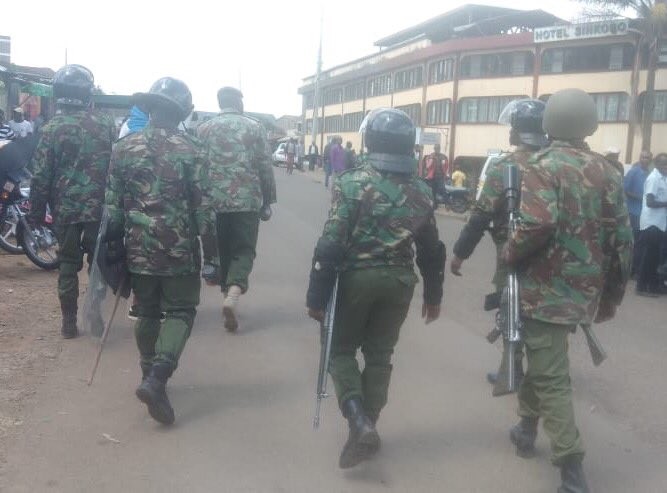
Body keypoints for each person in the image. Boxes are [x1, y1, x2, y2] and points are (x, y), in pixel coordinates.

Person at [503, 89, 632, 493]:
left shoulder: (543, 166)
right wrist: (611, 296)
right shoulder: (608, 172)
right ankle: (526, 429)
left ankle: (571, 466)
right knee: (543, 359)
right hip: (585, 289)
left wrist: (509, 252)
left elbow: (538, 225)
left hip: (545, 289)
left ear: (550, 124)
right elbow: (622, 239)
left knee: (552, 375)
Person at [306, 108, 445, 469]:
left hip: (356, 279)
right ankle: (368, 424)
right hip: (400, 282)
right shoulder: (422, 190)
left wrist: (316, 297)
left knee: (338, 350)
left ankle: (358, 420)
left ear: (370, 141)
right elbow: (432, 250)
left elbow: (331, 244)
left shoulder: (351, 182)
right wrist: (434, 296)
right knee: (380, 355)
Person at [105, 77, 217, 425]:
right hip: (179, 250)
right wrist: (212, 257)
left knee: (147, 313)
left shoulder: (122, 149)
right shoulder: (192, 150)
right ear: (181, 111)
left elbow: (111, 210)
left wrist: (111, 257)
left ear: (150, 108)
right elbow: (204, 211)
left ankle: (147, 376)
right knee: (181, 312)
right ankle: (157, 379)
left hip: (137, 249)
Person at [451, 98, 548, 392]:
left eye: (512, 128)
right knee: (545, 312)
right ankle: (545, 372)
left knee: (511, 309)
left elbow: (480, 217)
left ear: (518, 132)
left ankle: (512, 372)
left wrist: (459, 254)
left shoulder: (505, 166)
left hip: (512, 251)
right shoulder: (554, 164)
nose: (509, 133)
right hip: (552, 252)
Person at [27, 65, 116, 339]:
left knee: (67, 264)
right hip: (98, 210)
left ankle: (68, 321)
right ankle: (93, 311)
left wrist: (36, 213)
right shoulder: (105, 124)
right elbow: (116, 166)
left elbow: (41, 175)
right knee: (98, 264)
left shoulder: (51, 128)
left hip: (65, 211)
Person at [197, 86, 277, 332]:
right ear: (239, 103)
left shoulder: (203, 129)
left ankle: (227, 296)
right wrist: (268, 201)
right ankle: (233, 291)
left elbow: (197, 166)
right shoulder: (254, 127)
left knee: (222, 252)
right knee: (243, 250)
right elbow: (265, 166)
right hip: (246, 202)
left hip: (213, 202)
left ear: (219, 103)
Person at [636, 153, 667, 297]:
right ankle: (641, 286)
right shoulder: (654, 178)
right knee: (648, 256)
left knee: (655, 257)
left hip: (660, 223)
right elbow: (650, 202)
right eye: (662, 163)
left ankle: (653, 286)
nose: (665, 166)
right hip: (651, 223)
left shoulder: (663, 178)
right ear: (656, 164)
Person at [624, 150, 652, 278]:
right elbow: (625, 190)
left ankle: (635, 269)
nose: (645, 160)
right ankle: (630, 270)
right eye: (643, 157)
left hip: (645, 213)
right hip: (634, 211)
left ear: (650, 160)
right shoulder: (633, 172)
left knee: (641, 242)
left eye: (647, 158)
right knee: (634, 241)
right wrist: (641, 198)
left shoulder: (650, 174)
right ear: (639, 158)